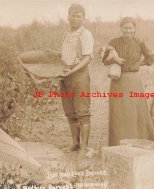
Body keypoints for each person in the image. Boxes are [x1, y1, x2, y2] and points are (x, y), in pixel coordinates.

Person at [103, 17, 154, 146]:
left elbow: (150, 58)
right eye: (125, 28)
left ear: (134, 29)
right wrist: (115, 60)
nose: (128, 30)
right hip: (118, 82)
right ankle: (118, 143)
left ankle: (139, 142)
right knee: (119, 113)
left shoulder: (139, 42)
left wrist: (137, 63)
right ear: (121, 29)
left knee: (136, 112)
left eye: (130, 28)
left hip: (134, 81)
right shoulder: (113, 42)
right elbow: (104, 60)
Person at [59, 4, 94, 153]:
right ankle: (75, 144)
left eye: (79, 16)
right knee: (70, 112)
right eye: (73, 15)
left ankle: (84, 147)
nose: (75, 19)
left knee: (82, 113)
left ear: (83, 18)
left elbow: (87, 58)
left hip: (79, 76)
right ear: (68, 17)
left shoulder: (85, 34)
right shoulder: (66, 34)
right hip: (64, 76)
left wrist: (72, 70)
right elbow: (65, 55)